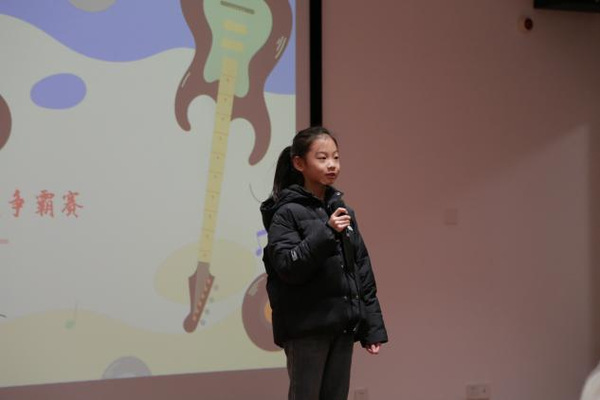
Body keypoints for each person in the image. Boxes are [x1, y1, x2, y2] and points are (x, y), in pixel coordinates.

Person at [260, 126, 388, 400]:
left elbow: (361, 269)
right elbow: (287, 267)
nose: (332, 164)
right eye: (322, 158)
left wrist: (372, 327)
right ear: (299, 163)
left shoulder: (343, 211)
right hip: (305, 328)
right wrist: (327, 232)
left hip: (342, 326)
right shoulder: (285, 213)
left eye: (336, 157)